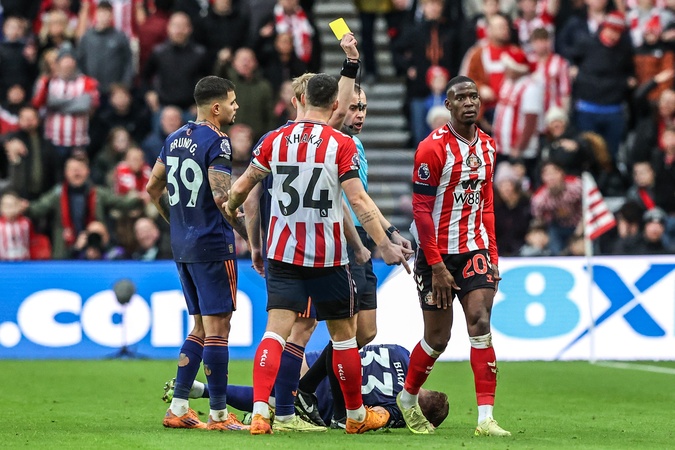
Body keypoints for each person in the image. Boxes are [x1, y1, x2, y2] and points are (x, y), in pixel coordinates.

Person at [223, 73, 413, 435]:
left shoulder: (274, 140)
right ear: (336, 105)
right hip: (328, 257)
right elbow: (357, 201)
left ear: (301, 99)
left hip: (283, 253)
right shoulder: (340, 143)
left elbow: (243, 187)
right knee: (344, 337)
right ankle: (355, 416)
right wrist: (384, 242)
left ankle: (263, 413)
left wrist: (232, 210)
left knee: (275, 333)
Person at [296, 82, 413, 429]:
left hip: (361, 238)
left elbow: (363, 198)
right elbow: (350, 202)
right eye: (354, 107)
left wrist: (389, 232)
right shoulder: (331, 144)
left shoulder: (355, 145)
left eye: (364, 108)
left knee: (366, 332)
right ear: (338, 106)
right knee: (345, 333)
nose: (360, 114)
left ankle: (306, 388)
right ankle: (339, 412)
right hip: (341, 239)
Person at [399, 75, 510, 437]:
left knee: (480, 321)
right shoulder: (432, 149)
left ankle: (485, 419)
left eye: (474, 96)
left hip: (475, 249)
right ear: (448, 105)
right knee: (438, 338)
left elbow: (487, 205)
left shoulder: (489, 147)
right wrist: (435, 265)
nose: (469, 102)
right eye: (461, 97)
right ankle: (408, 398)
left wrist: (493, 255)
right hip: (437, 256)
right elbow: (421, 210)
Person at [146, 75, 249, 431]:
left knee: (202, 327)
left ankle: (178, 407)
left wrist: (178, 222)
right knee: (219, 327)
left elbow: (152, 186)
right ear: (216, 107)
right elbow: (222, 198)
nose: (236, 107)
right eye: (232, 102)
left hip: (183, 245)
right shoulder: (218, 141)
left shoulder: (174, 138)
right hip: (212, 243)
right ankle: (219, 415)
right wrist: (254, 240)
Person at [162, 344, 450, 430]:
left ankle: (199, 390)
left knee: (275, 395)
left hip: (312, 363)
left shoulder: (401, 353)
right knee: (277, 403)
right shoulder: (399, 409)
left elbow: (358, 348)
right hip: (325, 402)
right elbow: (375, 415)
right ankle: (209, 394)